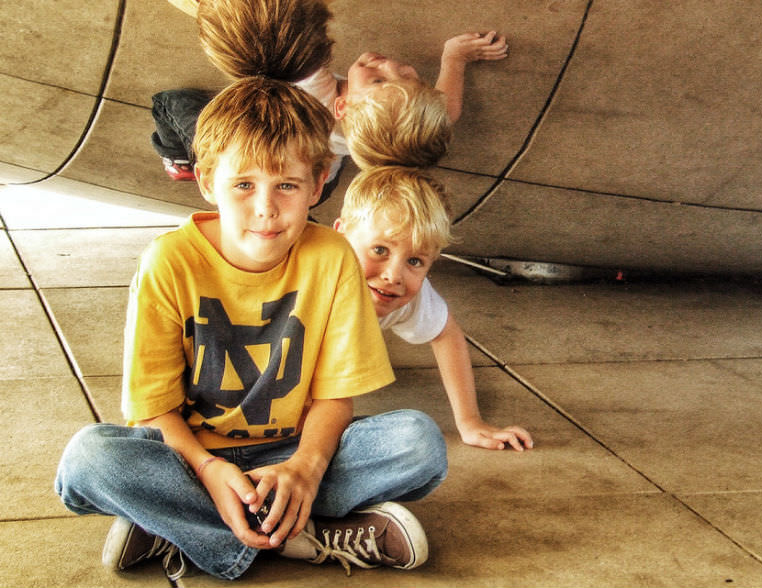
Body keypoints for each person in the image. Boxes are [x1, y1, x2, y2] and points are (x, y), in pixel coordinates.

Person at [55, 77, 447, 582]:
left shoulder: (331, 258)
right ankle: (301, 537)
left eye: (287, 184)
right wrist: (209, 470)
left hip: (294, 448)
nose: (266, 207)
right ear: (205, 181)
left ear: (320, 180)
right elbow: (153, 411)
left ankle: (175, 525)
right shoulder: (167, 262)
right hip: (189, 456)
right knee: (90, 460)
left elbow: (335, 399)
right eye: (243, 185)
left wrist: (305, 468)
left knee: (418, 442)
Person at [152, 0, 508, 196]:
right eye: (409, 76)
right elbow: (447, 109)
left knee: (172, 102)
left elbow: (263, 18)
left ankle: (178, 161)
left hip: (273, 154)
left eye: (376, 78)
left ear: (342, 106)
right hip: (321, 175)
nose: (389, 64)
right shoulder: (405, 119)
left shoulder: (312, 89)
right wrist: (454, 58)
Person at [334, 166, 535, 451]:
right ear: (340, 235)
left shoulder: (404, 294)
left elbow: (446, 334)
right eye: (380, 250)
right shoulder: (306, 282)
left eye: (415, 261)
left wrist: (470, 422)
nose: (394, 275)